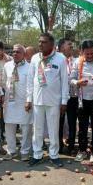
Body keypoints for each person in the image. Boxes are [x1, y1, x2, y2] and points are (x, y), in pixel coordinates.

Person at [26, 33, 68, 167]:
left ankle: (54, 155)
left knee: (53, 130)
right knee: (37, 129)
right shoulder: (34, 58)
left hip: (54, 101)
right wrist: (28, 99)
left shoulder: (60, 58)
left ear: (51, 44)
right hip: (37, 100)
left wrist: (64, 102)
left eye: (43, 42)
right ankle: (37, 154)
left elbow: (64, 82)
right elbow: (30, 80)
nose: (40, 44)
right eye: (39, 42)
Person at [72, 40, 93, 163]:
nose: (90, 56)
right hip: (82, 99)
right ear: (82, 52)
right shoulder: (77, 62)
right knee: (82, 126)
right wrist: (78, 82)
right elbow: (71, 79)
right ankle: (82, 150)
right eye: (87, 54)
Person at [3, 44, 32, 161]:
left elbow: (31, 86)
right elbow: (4, 82)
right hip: (10, 102)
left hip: (24, 102)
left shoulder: (30, 67)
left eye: (18, 52)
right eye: (14, 52)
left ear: (24, 55)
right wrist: (5, 97)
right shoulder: (7, 66)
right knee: (9, 126)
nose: (15, 54)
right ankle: (11, 151)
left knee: (26, 128)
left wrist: (29, 100)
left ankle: (25, 151)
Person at [58, 38, 79, 155]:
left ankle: (71, 146)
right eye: (69, 44)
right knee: (59, 123)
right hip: (60, 97)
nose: (71, 46)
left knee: (72, 122)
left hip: (73, 96)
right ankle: (59, 146)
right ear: (61, 48)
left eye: (72, 44)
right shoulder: (57, 61)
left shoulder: (75, 61)